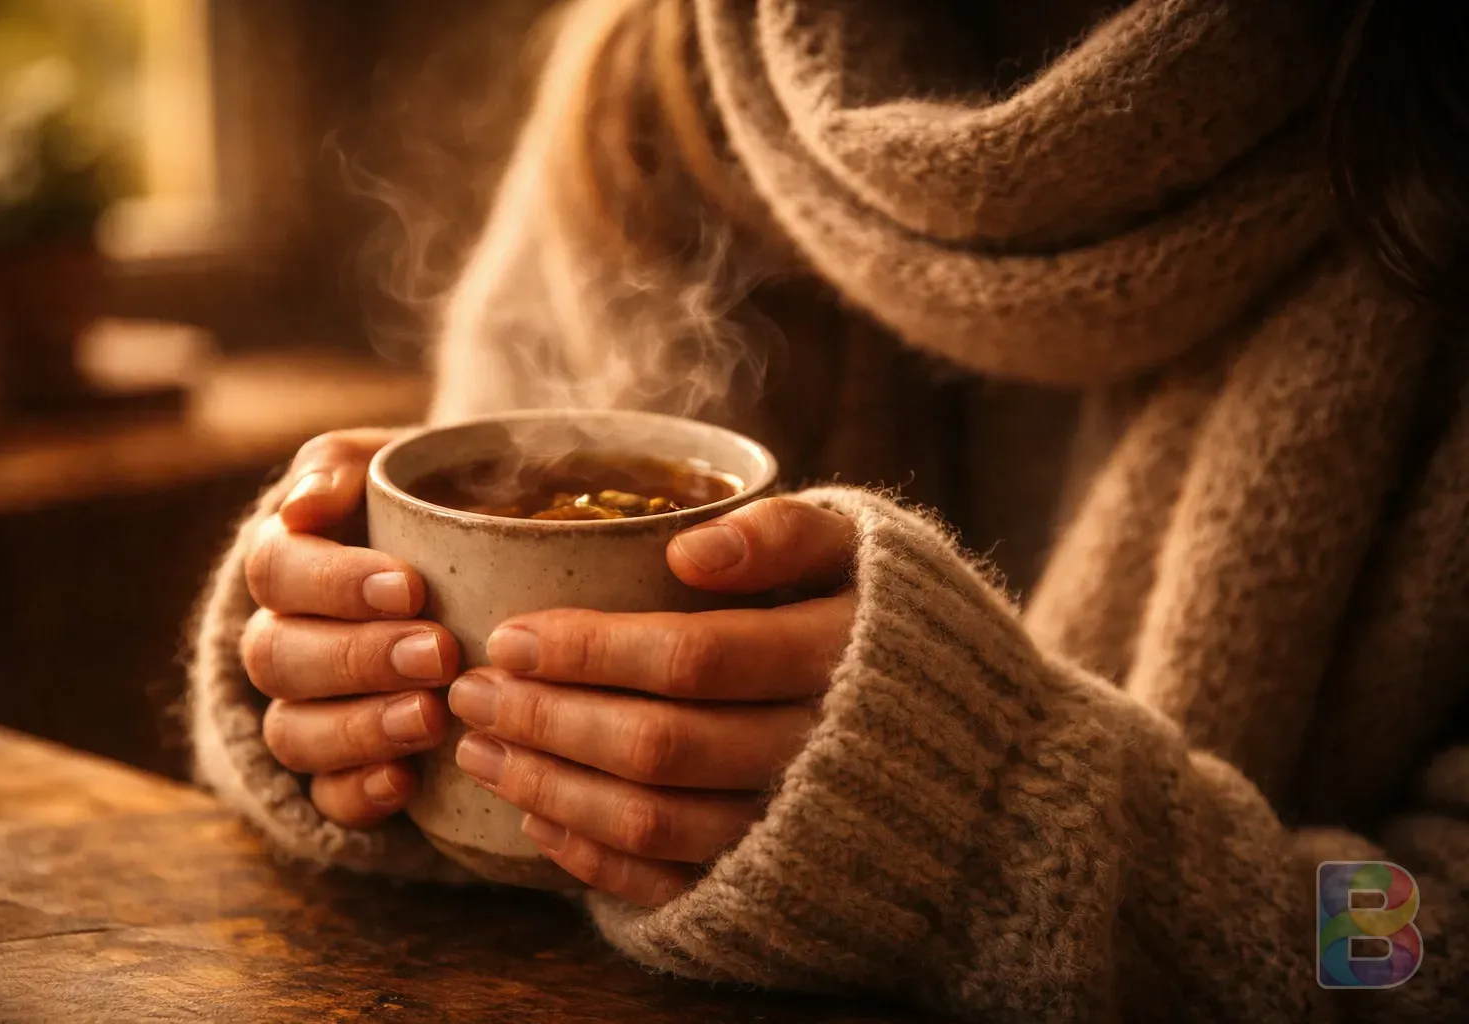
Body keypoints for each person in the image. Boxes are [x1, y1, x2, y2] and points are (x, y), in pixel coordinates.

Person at [187, 0, 1469, 1018]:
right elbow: (503, 800)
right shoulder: (657, 86)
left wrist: (1005, 833)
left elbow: (1430, 953)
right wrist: (335, 685)